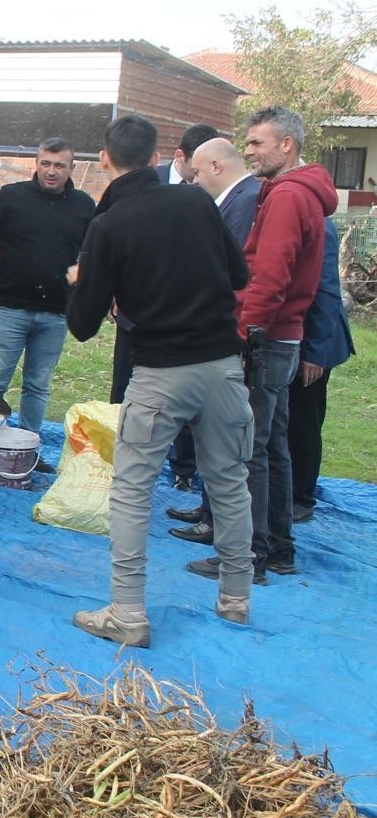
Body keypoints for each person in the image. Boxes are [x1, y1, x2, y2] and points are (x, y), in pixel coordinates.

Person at [65, 114, 254, 647]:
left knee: (130, 492)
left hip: (159, 372)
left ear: (105, 159)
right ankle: (236, 598)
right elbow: (238, 276)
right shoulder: (197, 200)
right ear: (158, 157)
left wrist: (78, 282)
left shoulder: (108, 227)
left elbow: (81, 327)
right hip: (222, 366)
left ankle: (127, 613)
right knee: (229, 481)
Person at [186, 106, 337, 583]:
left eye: (256, 143)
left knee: (246, 448)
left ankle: (248, 554)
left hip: (265, 339)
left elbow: (270, 275)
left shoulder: (289, 196)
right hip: (281, 337)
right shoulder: (297, 192)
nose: (248, 152)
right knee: (271, 445)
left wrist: (244, 333)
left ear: (286, 145)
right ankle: (278, 548)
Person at [0, 136, 95, 470]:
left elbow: (95, 256)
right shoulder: (11, 198)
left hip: (56, 314)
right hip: (10, 309)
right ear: (36, 163)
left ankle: (30, 451)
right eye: (46, 164)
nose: (52, 172)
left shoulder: (84, 207)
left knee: (38, 385)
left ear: (71, 168)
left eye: (59, 166)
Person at [167, 138, 262, 544]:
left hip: (226, 334)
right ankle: (208, 509)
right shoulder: (239, 198)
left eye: (199, 172)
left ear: (217, 167)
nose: (196, 180)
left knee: (225, 440)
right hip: (219, 332)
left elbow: (231, 268)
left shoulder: (242, 202)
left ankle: (219, 525)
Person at [110, 123, 221, 411]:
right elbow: (115, 239)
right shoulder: (137, 183)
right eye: (197, 168)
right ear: (180, 156)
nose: (203, 176)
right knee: (126, 393)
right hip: (135, 313)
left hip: (188, 318)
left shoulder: (213, 193)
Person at [287, 216, 355, 524]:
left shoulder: (318, 221)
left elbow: (326, 290)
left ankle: (301, 497)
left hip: (313, 340)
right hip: (292, 336)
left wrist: (315, 352)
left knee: (304, 420)